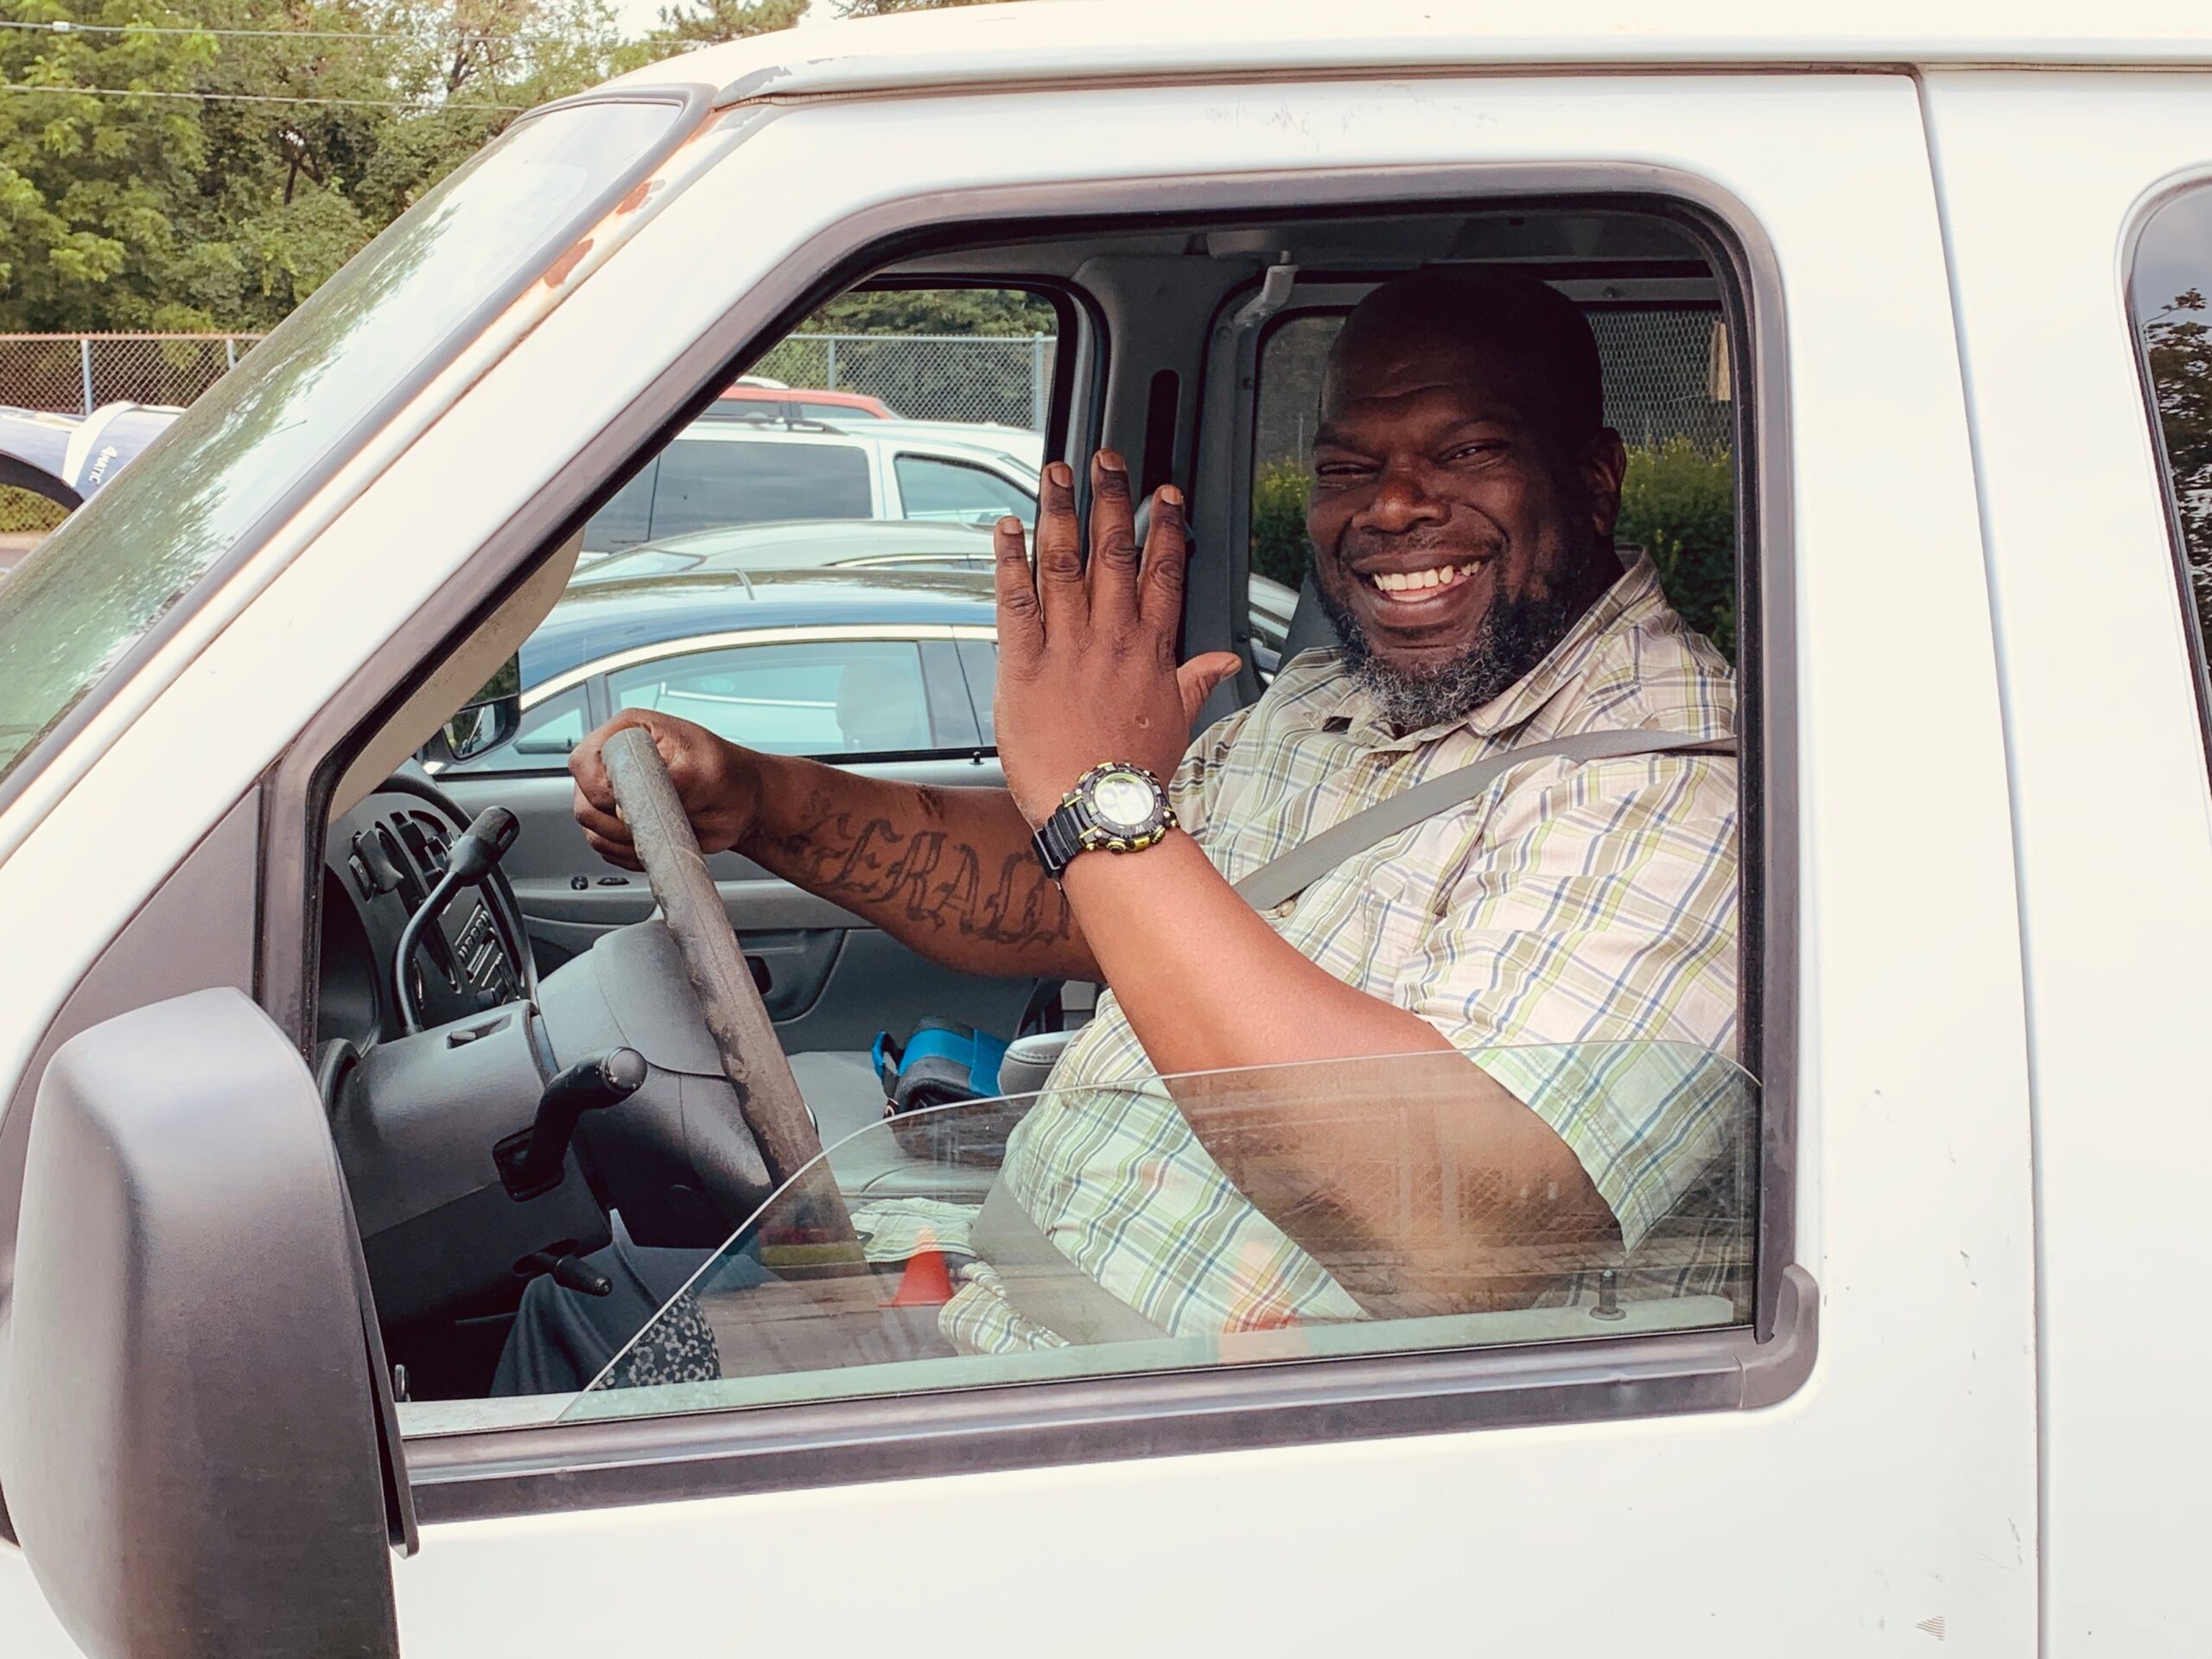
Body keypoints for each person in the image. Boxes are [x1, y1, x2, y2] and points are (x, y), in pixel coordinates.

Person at [493, 268, 1741, 1395]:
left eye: (1467, 451)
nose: (1394, 507)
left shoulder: (1673, 772)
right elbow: (1093, 901)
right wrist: (763, 802)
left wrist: (1093, 787)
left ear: (1594, 476)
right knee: (577, 1308)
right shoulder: (1335, 697)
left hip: (1162, 1439)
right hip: (991, 1312)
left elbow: (1465, 1235)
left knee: (541, 1412)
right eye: (1348, 469)